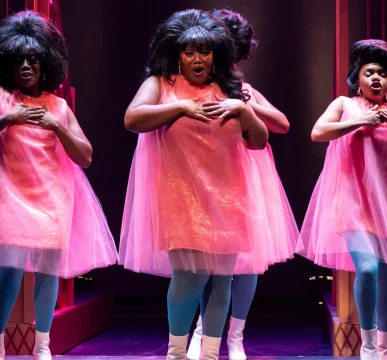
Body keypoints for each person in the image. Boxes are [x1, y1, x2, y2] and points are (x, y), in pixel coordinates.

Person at [119, 8, 279, 360]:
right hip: (181, 196)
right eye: (189, 51)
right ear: (176, 53)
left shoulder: (229, 87)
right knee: (191, 277)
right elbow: (133, 118)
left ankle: (208, 355)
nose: (197, 58)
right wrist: (181, 109)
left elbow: (258, 141)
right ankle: (176, 353)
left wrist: (244, 109)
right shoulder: (161, 84)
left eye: (204, 51)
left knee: (222, 280)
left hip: (228, 196)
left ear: (216, 54)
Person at [0, 11, 118, 360]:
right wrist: (8, 118)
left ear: (46, 64)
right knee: (11, 270)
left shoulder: (58, 106)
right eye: (19, 60)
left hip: (52, 198)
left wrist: (58, 127)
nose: (26, 66)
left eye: (33, 59)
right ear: (8, 63)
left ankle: (42, 346)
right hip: (9, 195)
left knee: (48, 274)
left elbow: (86, 156)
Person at [296, 39, 387, 360]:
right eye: (369, 72)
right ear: (358, 78)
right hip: (353, 205)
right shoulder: (345, 105)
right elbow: (318, 132)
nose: (375, 78)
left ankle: (381, 348)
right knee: (367, 270)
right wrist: (361, 121)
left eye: (382, 74)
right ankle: (368, 346)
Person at [187, 9, 298, 360]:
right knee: (209, 259)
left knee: (249, 261)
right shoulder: (193, 85)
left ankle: (236, 335)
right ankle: (205, 332)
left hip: (251, 174)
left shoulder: (245, 90)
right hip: (212, 174)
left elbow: (282, 124)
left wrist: (246, 106)